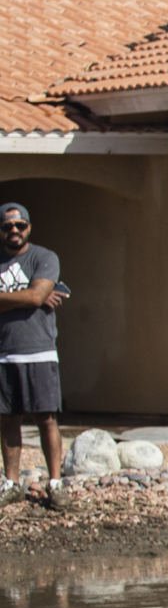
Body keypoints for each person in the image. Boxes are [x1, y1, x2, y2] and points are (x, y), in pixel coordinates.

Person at [0, 202, 66, 487]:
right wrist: (29, 295)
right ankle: (11, 484)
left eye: (19, 225)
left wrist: (34, 295)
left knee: (47, 419)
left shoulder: (45, 257)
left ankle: (55, 483)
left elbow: (37, 298)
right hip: (4, 354)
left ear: (29, 227)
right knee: (8, 421)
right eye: (6, 226)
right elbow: (34, 296)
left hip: (39, 351)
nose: (14, 230)